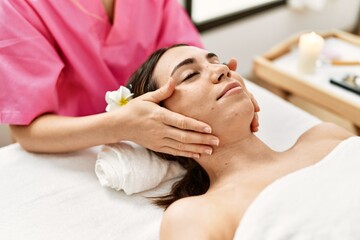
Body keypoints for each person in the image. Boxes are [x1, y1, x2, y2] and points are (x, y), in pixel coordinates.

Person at [126, 44, 357, 239]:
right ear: (164, 121)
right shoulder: (197, 214)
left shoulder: (326, 136)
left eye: (218, 62)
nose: (221, 70)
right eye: (190, 75)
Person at [0, 0, 261, 158]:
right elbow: (27, 131)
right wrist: (119, 126)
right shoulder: (18, 6)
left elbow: (185, 57)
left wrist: (227, 86)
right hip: (68, 145)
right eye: (190, 76)